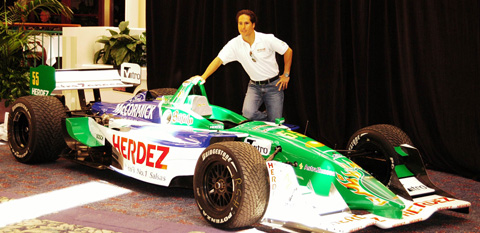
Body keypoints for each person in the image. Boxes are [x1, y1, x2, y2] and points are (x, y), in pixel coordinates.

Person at [191, 9, 293, 122]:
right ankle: (270, 120)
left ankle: (273, 120)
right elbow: (218, 60)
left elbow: (288, 51)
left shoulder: (266, 39)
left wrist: (286, 74)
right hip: (255, 86)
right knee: (248, 115)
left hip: (274, 85)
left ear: (253, 25)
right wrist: (203, 77)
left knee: (275, 121)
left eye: (246, 23)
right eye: (240, 23)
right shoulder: (234, 44)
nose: (243, 27)